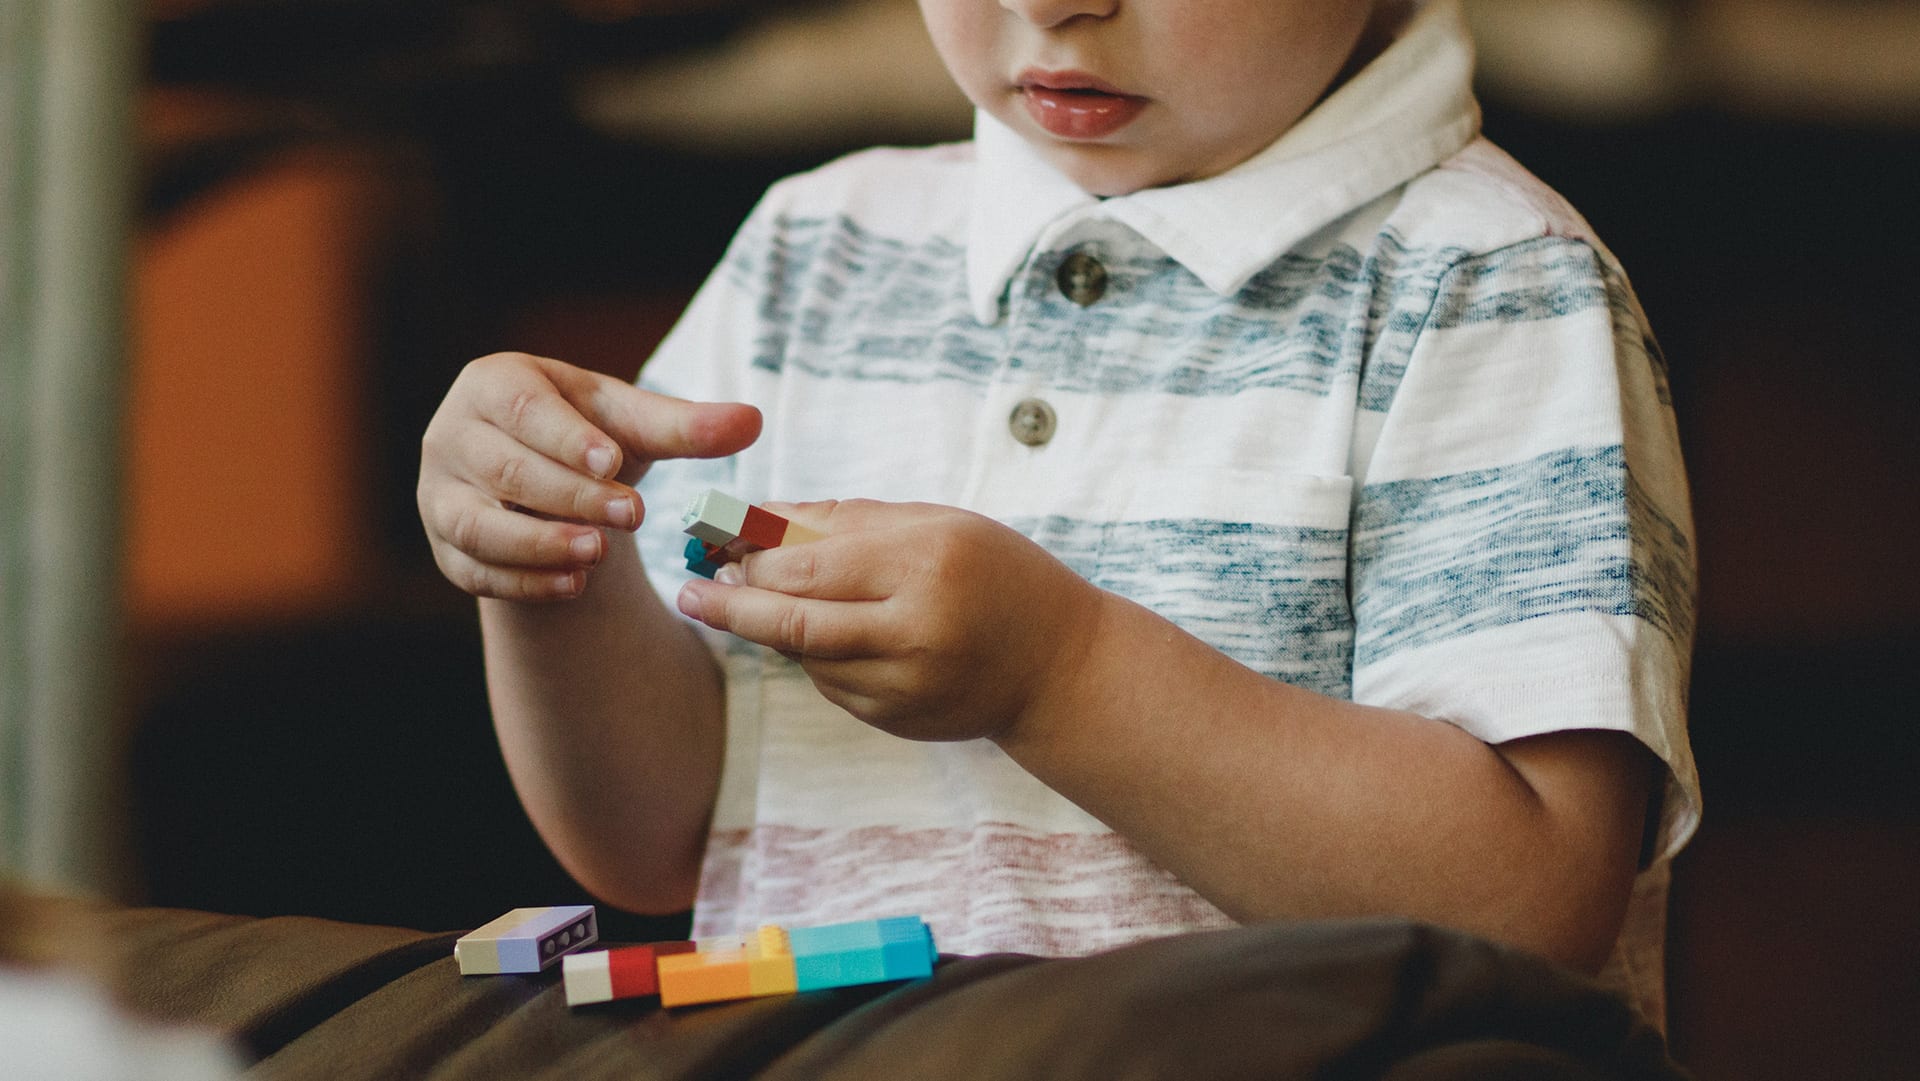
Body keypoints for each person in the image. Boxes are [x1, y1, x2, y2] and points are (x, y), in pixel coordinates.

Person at [416, 0, 1700, 1024]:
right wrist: (552, 568)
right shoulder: (814, 249)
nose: (1053, 5)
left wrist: (1062, 674)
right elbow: (658, 841)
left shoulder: (1491, 285)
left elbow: (1531, 902)